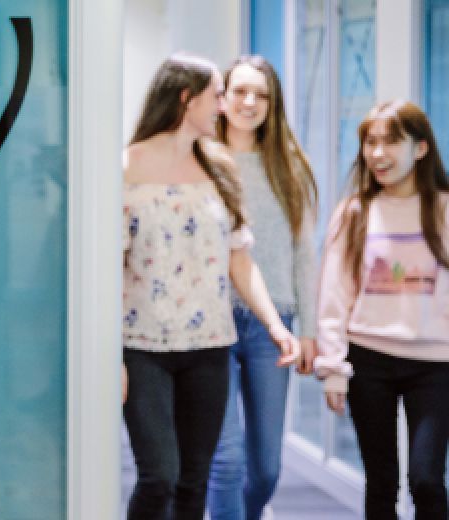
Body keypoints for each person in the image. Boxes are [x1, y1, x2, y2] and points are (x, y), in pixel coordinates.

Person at [121, 53, 300, 520]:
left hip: (209, 347)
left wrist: (275, 325)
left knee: (194, 482)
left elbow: (241, 259)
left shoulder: (219, 167)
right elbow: (107, 270)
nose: (224, 105)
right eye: (218, 94)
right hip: (143, 348)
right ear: (186, 98)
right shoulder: (124, 168)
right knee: (158, 476)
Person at [314, 100, 449, 520]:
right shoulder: (354, 213)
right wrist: (333, 366)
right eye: (370, 142)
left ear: (421, 148)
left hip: (435, 363)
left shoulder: (444, 210)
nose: (377, 154)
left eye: (391, 142)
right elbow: (334, 295)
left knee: (427, 479)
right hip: (369, 360)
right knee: (381, 481)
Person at [205, 55, 320, 520]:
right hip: (211, 321)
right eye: (241, 92)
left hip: (274, 325)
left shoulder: (289, 166)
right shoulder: (204, 159)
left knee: (267, 469)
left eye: (262, 95)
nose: (250, 102)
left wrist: (308, 327)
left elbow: (303, 251)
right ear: (223, 98)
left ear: (273, 105)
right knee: (226, 460)